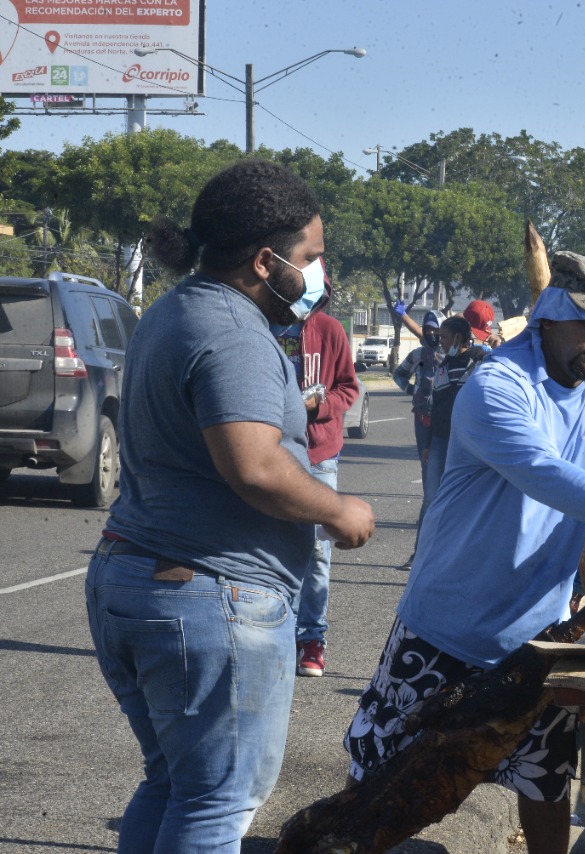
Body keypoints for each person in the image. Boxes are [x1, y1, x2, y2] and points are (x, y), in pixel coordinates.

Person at [344, 251, 585, 854]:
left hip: (540, 633)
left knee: (544, 782)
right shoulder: (494, 386)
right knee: (381, 774)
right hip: (444, 626)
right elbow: (544, 473)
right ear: (549, 318)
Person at [85, 159, 375, 852]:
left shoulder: (173, 310)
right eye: (312, 258)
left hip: (138, 574)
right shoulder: (233, 332)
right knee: (219, 803)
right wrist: (339, 510)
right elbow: (256, 466)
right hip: (208, 596)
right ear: (268, 260)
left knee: (173, 783)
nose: (319, 273)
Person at [273, 271, 360, 677]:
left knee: (317, 550)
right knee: (272, 543)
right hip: (272, 452)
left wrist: (318, 404)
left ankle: (311, 637)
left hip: (320, 453)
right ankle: (276, 632)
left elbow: (348, 389)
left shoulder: (330, 330)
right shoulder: (265, 325)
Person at [419, 314, 489, 510]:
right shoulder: (443, 366)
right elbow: (436, 408)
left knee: (466, 500)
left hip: (468, 442)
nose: (441, 342)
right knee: (431, 499)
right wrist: (428, 444)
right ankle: (427, 541)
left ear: (458, 338)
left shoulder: (480, 362)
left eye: (445, 337)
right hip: (440, 441)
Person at [392, 306, 445, 526]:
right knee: (427, 466)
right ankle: (429, 506)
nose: (431, 334)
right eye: (427, 330)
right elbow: (399, 375)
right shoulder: (418, 354)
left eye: (435, 330)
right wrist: (412, 390)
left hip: (445, 420)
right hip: (423, 419)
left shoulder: (450, 353)